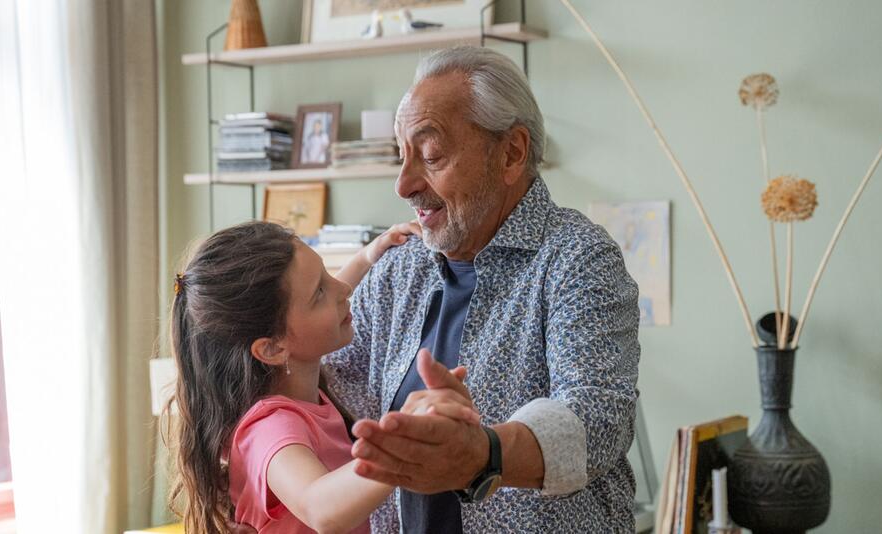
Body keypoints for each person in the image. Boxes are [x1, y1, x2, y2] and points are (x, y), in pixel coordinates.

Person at [323, 46, 642, 532]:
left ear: (511, 152)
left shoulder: (575, 257)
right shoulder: (397, 271)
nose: (404, 184)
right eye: (402, 155)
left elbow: (596, 419)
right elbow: (324, 377)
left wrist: (484, 454)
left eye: (431, 156)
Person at [165, 220, 480, 534]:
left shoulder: (300, 383)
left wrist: (365, 258)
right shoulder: (271, 428)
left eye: (329, 276)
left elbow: (305, 312)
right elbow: (321, 509)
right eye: (319, 291)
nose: (342, 290)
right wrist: (403, 444)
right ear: (273, 348)